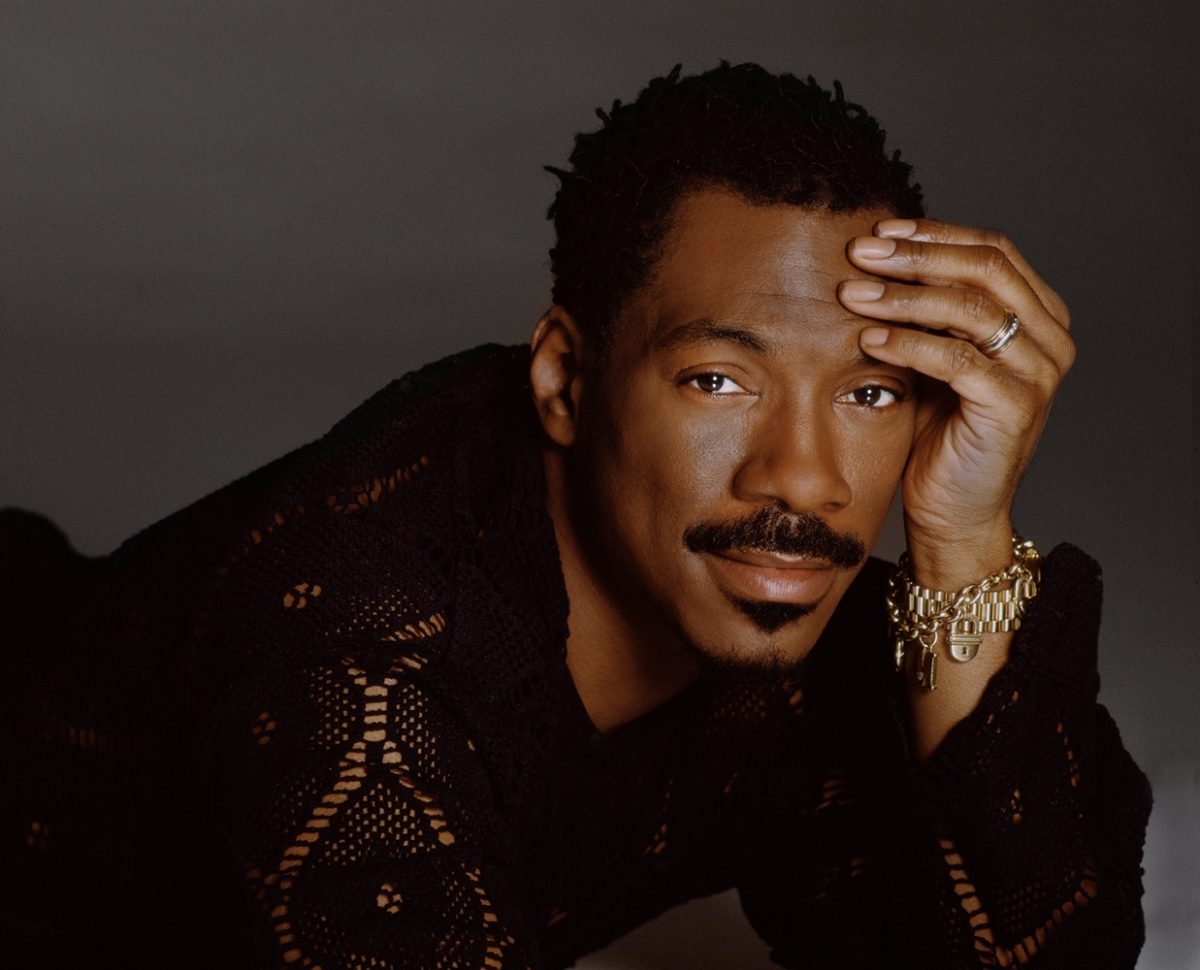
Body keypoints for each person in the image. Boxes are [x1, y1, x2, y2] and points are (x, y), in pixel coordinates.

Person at [1, 62, 1150, 969]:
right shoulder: (364, 636)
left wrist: (963, 545)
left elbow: (1039, 946)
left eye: (871, 394)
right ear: (564, 378)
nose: (804, 480)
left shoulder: (781, 613)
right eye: (718, 380)